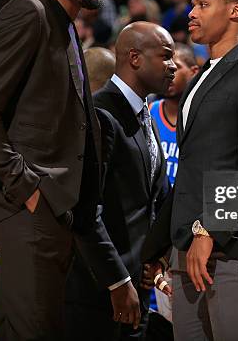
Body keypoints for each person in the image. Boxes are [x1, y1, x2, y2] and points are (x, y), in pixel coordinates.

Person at [0, 0, 138, 340]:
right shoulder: (30, 12)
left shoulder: (67, 26)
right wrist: (26, 187)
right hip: (27, 208)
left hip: (51, 213)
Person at [144, 0, 238, 340]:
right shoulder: (197, 80)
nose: (191, 13)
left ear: (235, 11)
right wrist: (154, 248)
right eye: (192, 4)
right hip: (185, 254)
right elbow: (190, 174)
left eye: (203, 4)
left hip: (231, 250)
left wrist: (208, 229)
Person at [66, 21, 176, 340]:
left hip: (136, 287)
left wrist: (153, 259)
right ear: (135, 58)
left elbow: (151, 204)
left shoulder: (144, 115)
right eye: (165, 56)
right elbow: (86, 210)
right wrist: (117, 281)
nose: (173, 66)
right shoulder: (101, 114)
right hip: (98, 292)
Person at [149, 43, 198, 186]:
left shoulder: (201, 115)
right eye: (163, 67)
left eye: (176, 67)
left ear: (193, 72)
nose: (168, 72)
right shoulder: (149, 111)